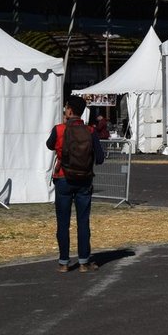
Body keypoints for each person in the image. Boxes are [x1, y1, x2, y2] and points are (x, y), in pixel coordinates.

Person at [47, 94, 106, 271]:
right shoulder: (90, 131)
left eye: (66, 108)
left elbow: (50, 145)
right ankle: (83, 262)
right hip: (84, 179)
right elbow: (100, 158)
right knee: (83, 221)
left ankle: (64, 262)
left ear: (70, 110)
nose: (65, 110)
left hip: (63, 178)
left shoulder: (59, 130)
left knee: (63, 222)